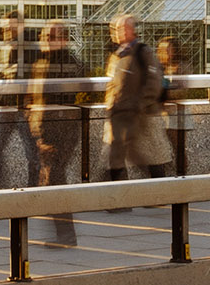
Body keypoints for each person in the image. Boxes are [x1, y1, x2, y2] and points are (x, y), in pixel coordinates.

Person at [21, 23, 88, 248]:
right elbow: (32, 95)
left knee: (55, 178)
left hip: (63, 129)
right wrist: (33, 122)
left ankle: (67, 236)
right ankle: (65, 234)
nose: (46, 39)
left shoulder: (70, 62)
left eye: (51, 36)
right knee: (53, 179)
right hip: (45, 130)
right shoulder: (40, 63)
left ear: (64, 39)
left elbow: (80, 85)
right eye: (44, 35)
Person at [104, 14, 171, 189]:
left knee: (150, 157)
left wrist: (138, 106)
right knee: (116, 155)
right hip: (120, 114)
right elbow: (113, 84)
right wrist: (111, 104)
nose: (118, 32)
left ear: (132, 30)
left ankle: (159, 193)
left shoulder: (143, 52)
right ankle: (119, 199)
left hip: (142, 115)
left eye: (122, 28)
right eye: (116, 29)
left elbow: (154, 83)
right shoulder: (118, 55)